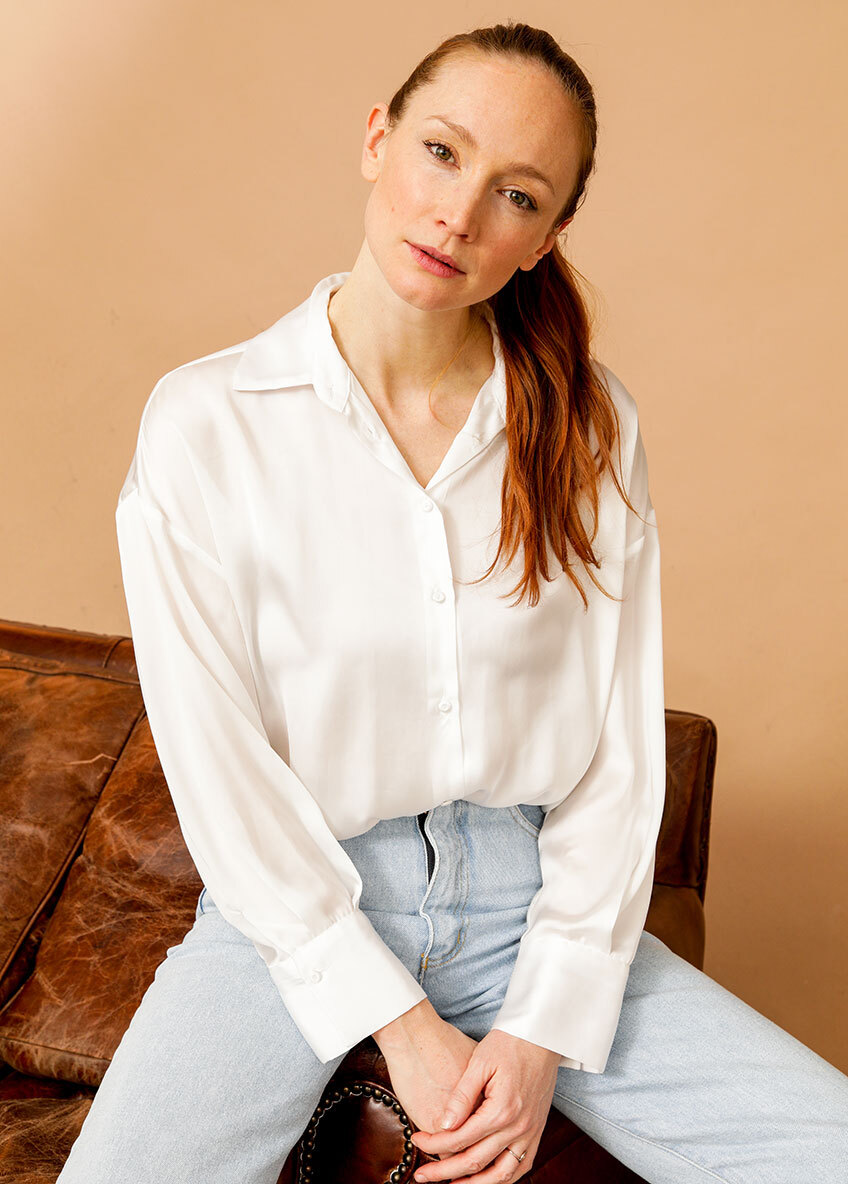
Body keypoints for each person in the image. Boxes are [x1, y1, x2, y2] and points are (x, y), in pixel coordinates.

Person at [57, 19, 848, 1184]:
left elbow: (616, 754)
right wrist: (397, 1021)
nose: (459, 215)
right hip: (297, 906)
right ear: (376, 140)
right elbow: (221, 770)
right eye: (440, 152)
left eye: (516, 195)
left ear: (547, 236)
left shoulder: (590, 425)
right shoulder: (207, 424)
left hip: (532, 904)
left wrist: (539, 1028)